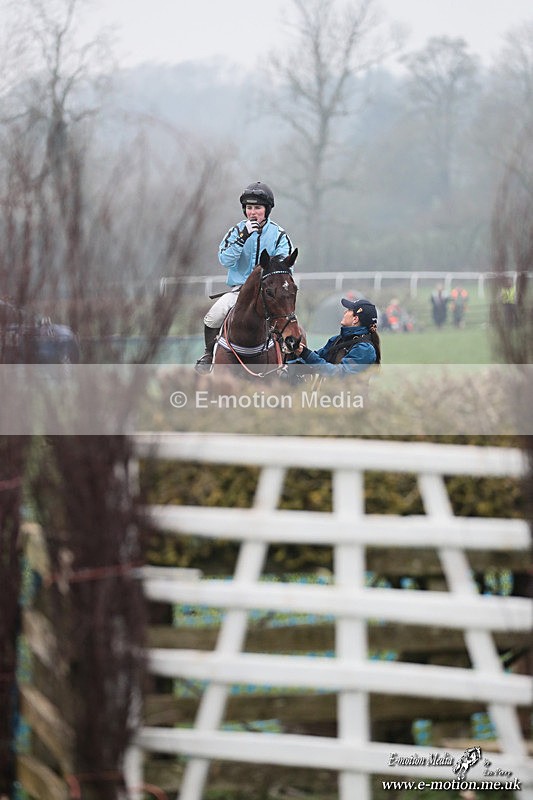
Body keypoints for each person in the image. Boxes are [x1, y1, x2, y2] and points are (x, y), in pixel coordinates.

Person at [195, 181, 293, 372]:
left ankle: (289, 359)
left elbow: (285, 266)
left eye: (257, 207)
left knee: (287, 321)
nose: (253, 212)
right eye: (249, 208)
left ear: (267, 210)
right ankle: (209, 354)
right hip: (239, 292)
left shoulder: (279, 235)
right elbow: (225, 260)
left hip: (270, 294)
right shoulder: (236, 231)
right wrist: (243, 237)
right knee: (212, 317)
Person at [289, 297, 380, 376]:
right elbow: (316, 359)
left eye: (348, 310)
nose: (345, 312)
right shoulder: (337, 339)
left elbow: (339, 375)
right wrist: (287, 367)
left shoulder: (365, 349)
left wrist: (306, 354)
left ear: (355, 319)